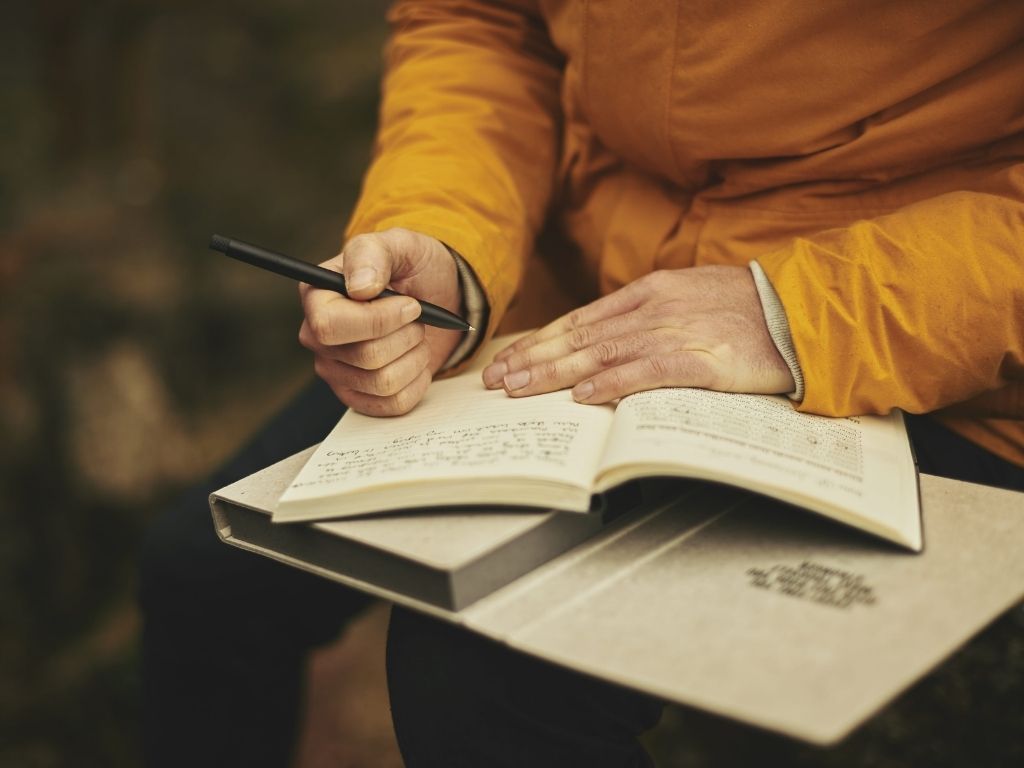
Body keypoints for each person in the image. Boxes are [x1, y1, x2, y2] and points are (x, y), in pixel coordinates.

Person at [141, 1, 1024, 766]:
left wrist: (803, 311)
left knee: (476, 675)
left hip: (931, 351)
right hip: (576, 296)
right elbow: (484, 23)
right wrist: (448, 238)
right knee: (204, 572)